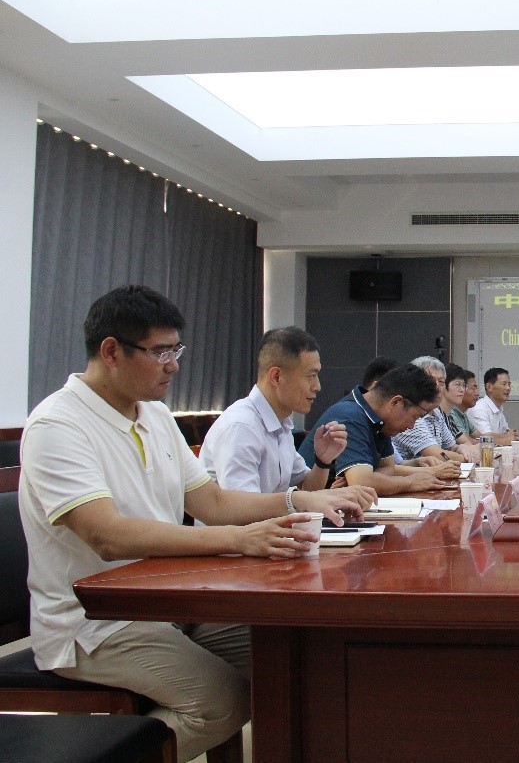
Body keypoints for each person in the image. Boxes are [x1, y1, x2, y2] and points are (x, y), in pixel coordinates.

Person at [17, 286, 366, 763]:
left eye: (175, 351)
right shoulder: (58, 425)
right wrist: (241, 539)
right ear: (112, 351)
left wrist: (297, 500)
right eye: (160, 352)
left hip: (170, 602)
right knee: (224, 701)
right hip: (96, 622)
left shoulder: (156, 415)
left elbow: (212, 500)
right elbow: (107, 535)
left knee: (297, 654)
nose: (173, 365)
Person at [200, 327, 367, 496]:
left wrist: (323, 461)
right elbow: (243, 507)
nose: (317, 386)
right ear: (276, 377)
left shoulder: (281, 423)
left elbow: (307, 487)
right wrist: (295, 501)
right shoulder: (241, 426)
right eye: (310, 376)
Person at [299, 365, 461, 494]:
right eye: (415, 417)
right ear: (396, 403)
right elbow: (362, 482)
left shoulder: (380, 419)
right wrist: (410, 482)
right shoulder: (350, 416)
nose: (412, 426)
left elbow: (387, 468)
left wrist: (370, 478)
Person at [392, 356, 474, 463]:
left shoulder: (436, 412)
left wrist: (460, 448)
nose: (436, 387)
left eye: (441, 382)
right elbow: (437, 455)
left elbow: (451, 446)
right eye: (430, 381)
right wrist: (468, 458)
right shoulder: (409, 413)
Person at [468, 367, 519, 445]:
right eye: (504, 384)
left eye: (509, 384)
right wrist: (507, 437)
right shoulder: (479, 408)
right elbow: (486, 437)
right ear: (489, 387)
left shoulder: (498, 408)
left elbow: (507, 434)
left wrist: (513, 435)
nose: (508, 388)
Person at [442, 364, 475, 441]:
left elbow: (464, 442)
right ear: (444, 386)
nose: (462, 390)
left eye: (464, 385)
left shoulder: (449, 417)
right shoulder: (437, 415)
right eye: (457, 384)